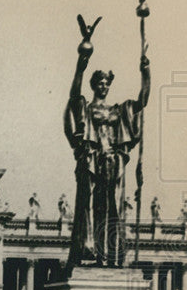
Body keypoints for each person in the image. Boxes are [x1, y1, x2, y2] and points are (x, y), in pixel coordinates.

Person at [64, 20, 149, 267]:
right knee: (89, 207)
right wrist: (82, 63)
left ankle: (111, 254)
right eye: (100, 83)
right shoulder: (85, 108)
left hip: (112, 163)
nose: (104, 86)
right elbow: (73, 95)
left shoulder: (119, 110)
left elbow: (143, 100)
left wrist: (146, 72)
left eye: (107, 83)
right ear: (94, 85)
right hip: (92, 160)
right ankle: (88, 251)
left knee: (112, 208)